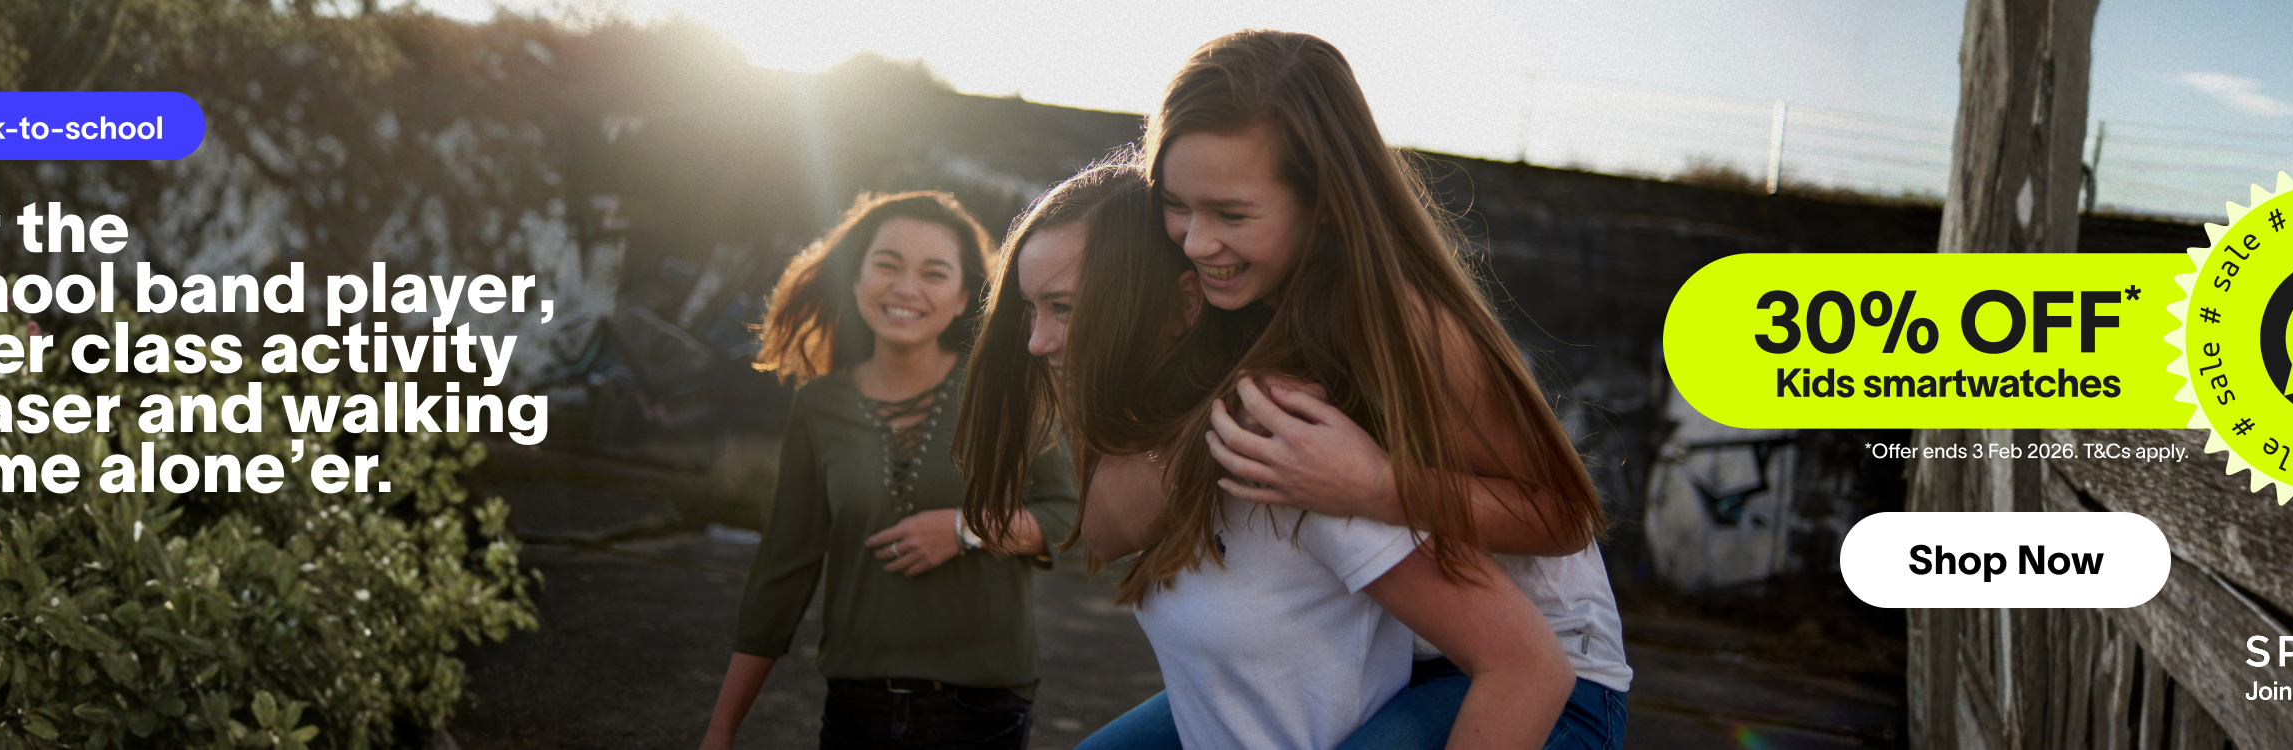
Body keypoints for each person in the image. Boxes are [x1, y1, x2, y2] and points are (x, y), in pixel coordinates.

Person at [1100, 29, 1635, 749]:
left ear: (1323, 200)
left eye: (1231, 215)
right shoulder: (1233, 298)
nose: (1196, 242)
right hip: (1368, 650)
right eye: (1177, 205)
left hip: (1539, 674)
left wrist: (1379, 485)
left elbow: (1562, 515)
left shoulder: (1412, 327)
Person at [962, 149, 1571, 750]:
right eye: (1032, 310)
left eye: (1065, 308)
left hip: (1546, 673)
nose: (1037, 342)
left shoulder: (1302, 448)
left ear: (1182, 305)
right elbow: (1104, 530)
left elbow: (1528, 662)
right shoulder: (1196, 426)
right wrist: (1216, 423)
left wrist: (1247, 424)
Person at [700, 191, 1077, 750]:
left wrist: (965, 529)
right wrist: (721, 729)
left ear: (964, 297)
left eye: (934, 273)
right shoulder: (819, 406)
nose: (906, 288)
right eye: (887, 265)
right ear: (856, 280)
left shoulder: (1005, 390)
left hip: (980, 710)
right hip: (856, 708)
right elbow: (783, 568)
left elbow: (1068, 516)